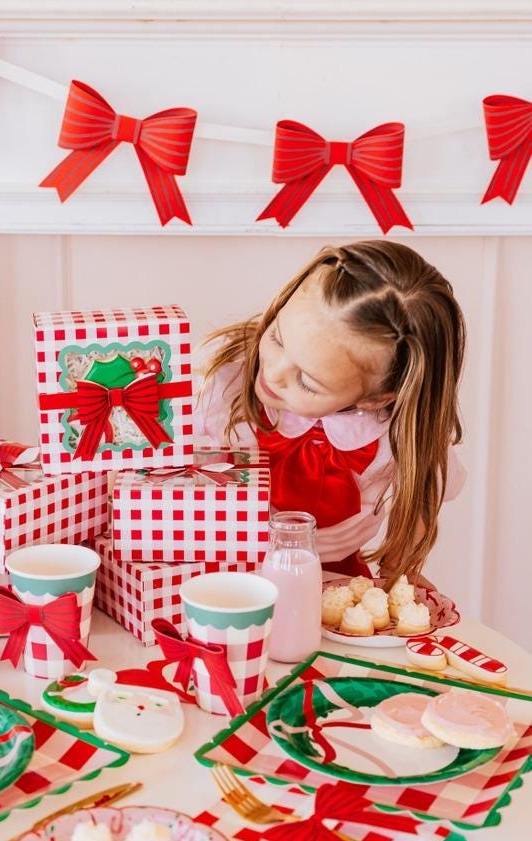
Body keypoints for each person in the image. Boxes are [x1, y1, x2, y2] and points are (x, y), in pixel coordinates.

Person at [195, 240, 467, 586]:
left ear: (377, 398)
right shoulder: (226, 382)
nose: (273, 372)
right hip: (222, 572)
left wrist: (399, 573)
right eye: (277, 337)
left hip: (329, 579)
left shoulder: (393, 435)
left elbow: (423, 488)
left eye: (307, 381)